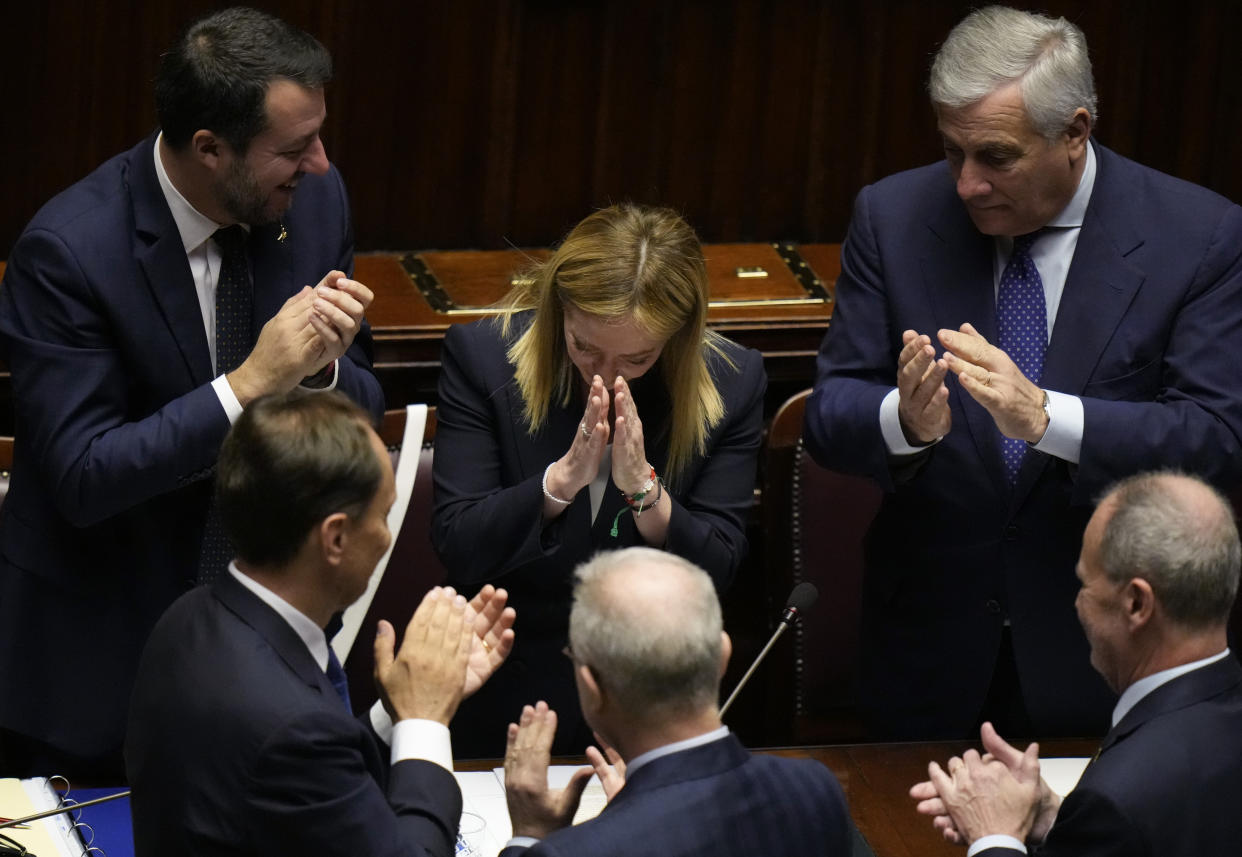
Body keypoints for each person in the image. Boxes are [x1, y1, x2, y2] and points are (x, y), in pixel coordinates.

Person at [803, 5, 1242, 740]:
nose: (968, 184)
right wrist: (906, 422)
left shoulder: (1197, 237)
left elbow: (1214, 437)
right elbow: (830, 412)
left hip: (1104, 660)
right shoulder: (894, 216)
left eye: (996, 157)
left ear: (1075, 132)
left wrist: (1046, 418)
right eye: (952, 153)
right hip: (925, 661)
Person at [0, 7, 385, 777]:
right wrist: (249, 384)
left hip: (272, 659)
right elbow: (84, 474)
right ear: (210, 148)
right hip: (102, 667)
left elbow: (362, 399)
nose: (319, 163)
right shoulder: (69, 253)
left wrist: (321, 372)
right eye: (294, 146)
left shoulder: (315, 201)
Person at [432, 204, 766, 755]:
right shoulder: (485, 360)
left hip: (655, 698)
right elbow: (459, 544)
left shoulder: (730, 381)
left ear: (675, 338)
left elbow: (719, 569)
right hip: (507, 682)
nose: (606, 376)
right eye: (584, 347)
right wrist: (560, 482)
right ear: (559, 309)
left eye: (636, 358)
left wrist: (645, 492)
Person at [126, 390, 515, 856]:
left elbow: (317, 793)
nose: (388, 537)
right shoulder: (293, 732)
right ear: (335, 537)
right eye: (384, 516)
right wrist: (424, 720)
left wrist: (397, 710)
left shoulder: (187, 620)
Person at [909, 471, 1242, 856]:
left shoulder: (1118, 797)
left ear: (1136, 604)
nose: (1076, 604)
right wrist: (1059, 820)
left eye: (1084, 585)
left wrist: (994, 834)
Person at [499, 547, 849, 856]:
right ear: (723, 657)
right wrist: (633, 807)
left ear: (593, 686)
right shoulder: (816, 788)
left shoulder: (574, 851)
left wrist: (530, 837)